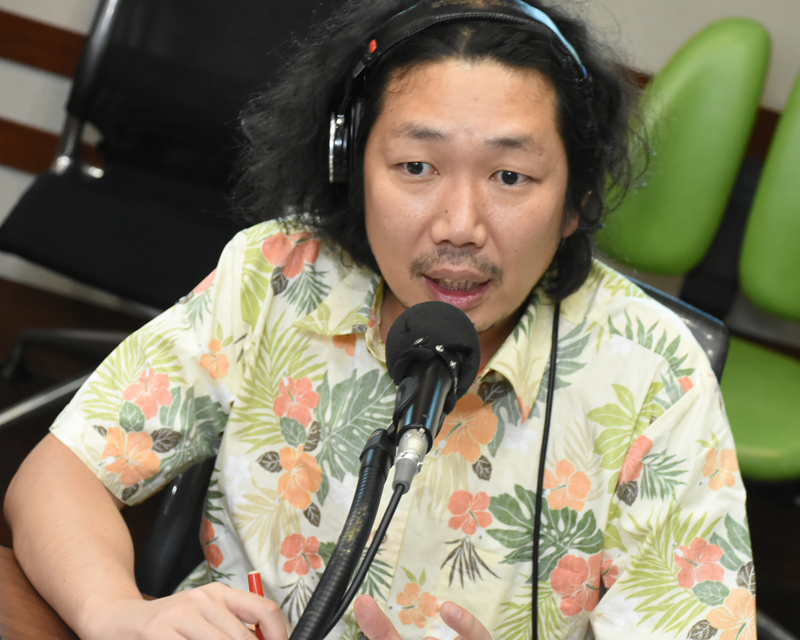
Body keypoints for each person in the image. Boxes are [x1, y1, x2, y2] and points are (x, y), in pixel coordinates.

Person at [5, 0, 755, 639]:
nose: (459, 226)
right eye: (416, 167)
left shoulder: (652, 372)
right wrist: (116, 612)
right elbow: (62, 473)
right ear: (350, 168)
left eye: (510, 176)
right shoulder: (280, 275)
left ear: (575, 202)